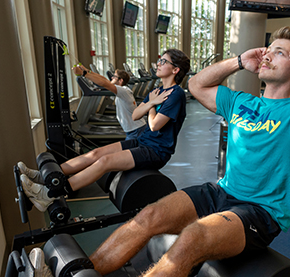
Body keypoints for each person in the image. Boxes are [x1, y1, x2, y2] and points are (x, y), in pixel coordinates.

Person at [38, 26, 290, 277]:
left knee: (191, 239)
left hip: (260, 211)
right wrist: (240, 60)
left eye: (280, 52)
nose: (268, 53)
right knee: (148, 216)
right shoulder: (240, 101)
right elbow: (197, 84)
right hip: (222, 192)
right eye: (269, 48)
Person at [19, 49, 190, 211]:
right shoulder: (156, 91)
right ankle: (44, 177)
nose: (158, 64)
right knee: (95, 154)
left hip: (156, 150)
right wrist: (152, 102)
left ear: (175, 69)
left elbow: (154, 125)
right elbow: (136, 115)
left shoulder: (175, 94)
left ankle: (50, 194)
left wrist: (151, 104)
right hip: (142, 140)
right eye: (160, 60)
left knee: (104, 162)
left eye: (163, 61)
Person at [72, 65, 147, 140]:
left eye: (114, 77)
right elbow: (105, 80)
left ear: (121, 81)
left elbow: (104, 83)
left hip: (136, 130)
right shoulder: (123, 90)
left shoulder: (124, 91)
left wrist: (83, 73)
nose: (112, 77)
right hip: (134, 129)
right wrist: (87, 71)